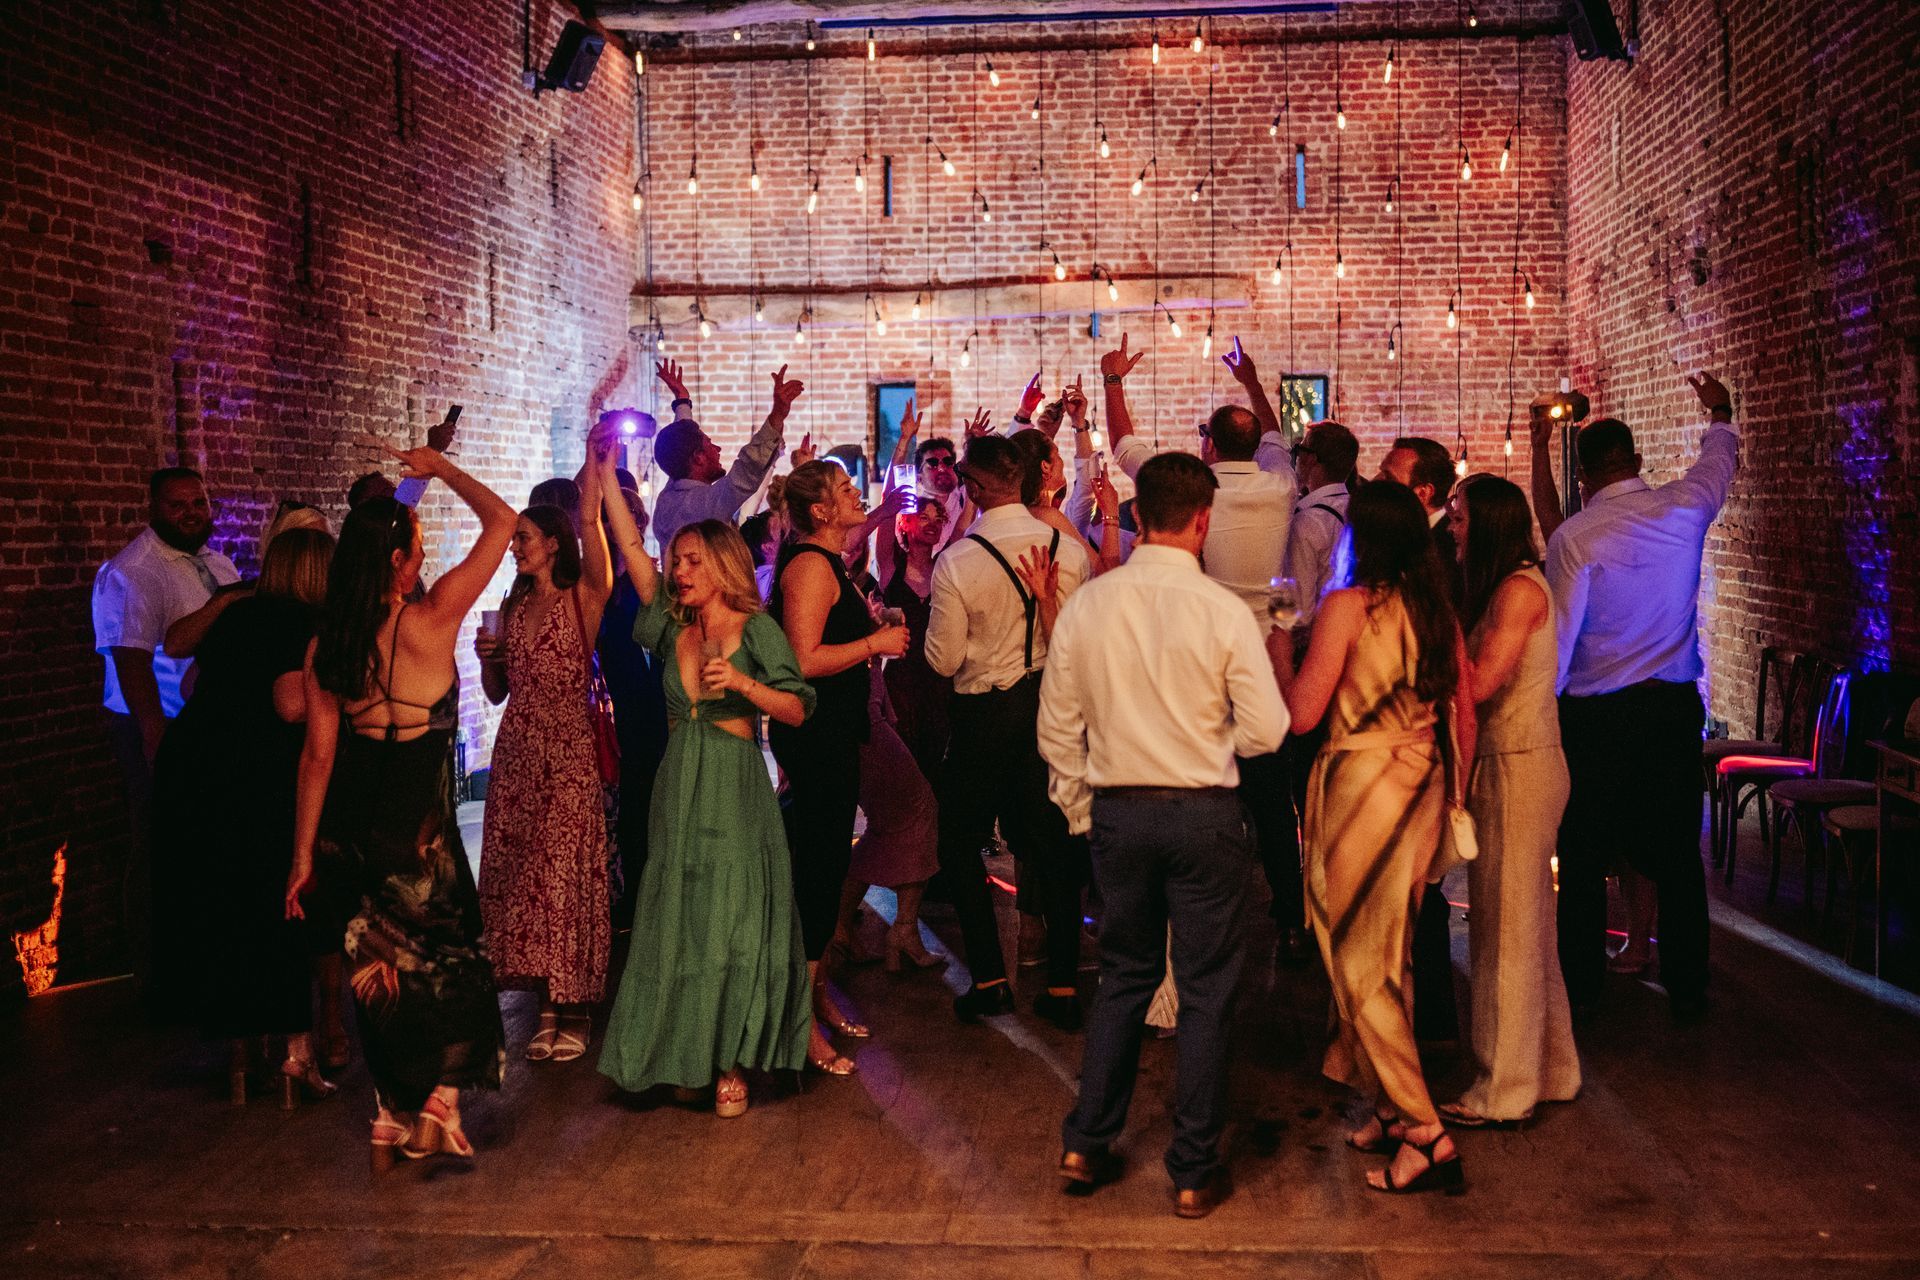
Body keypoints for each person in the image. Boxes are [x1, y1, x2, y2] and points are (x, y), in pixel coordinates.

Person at [1040, 452, 1288, 1219]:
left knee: (1124, 977)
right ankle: (1190, 1169)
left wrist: (1084, 811)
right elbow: (1269, 732)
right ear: (1204, 520)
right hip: (1204, 812)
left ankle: (1087, 1141)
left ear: (1137, 515)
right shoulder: (1222, 612)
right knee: (1209, 993)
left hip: (1119, 810)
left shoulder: (1088, 605)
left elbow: (1057, 728)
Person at [285, 446, 515, 1168]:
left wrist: (300, 860)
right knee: (455, 966)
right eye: (416, 547)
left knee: (378, 971)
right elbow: (503, 521)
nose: (424, 558)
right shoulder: (434, 617)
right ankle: (441, 1101)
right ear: (396, 562)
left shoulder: (329, 645)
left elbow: (317, 757)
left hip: (354, 830)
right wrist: (441, 472)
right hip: (422, 835)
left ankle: (389, 1111)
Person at [1268, 481, 1473, 1195]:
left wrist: (1277, 644)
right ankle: (1388, 1108)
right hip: (1420, 781)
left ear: (1364, 538)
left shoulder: (1348, 607)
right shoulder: (1435, 610)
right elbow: (1464, 714)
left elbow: (1301, 715)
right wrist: (1456, 794)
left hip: (1363, 788)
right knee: (1392, 956)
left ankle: (1425, 1131)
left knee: (1358, 960)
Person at [595, 500, 816, 1119]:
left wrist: (745, 685)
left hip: (735, 782)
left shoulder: (758, 627)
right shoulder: (673, 628)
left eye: (693, 561)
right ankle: (685, 1053)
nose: (679, 571)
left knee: (733, 920)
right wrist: (607, 477)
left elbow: (799, 707)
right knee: (680, 917)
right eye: (677, 560)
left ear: (722, 565)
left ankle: (731, 1061)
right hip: (678, 784)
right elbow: (636, 558)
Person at [1547, 373, 1738, 1022]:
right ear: (1634, 461)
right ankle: (1686, 988)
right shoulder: (1685, 507)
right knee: (1679, 854)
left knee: (1583, 855)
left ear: (1583, 477)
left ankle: (1581, 993)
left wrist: (1541, 712)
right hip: (1672, 712)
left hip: (1597, 718)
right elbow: (1719, 460)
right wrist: (1719, 409)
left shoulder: (1575, 538)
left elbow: (1560, 642)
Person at [152, 527, 339, 1104]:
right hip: (260, 777)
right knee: (283, 908)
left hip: (198, 771)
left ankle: (239, 1059)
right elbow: (288, 706)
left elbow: (185, 668)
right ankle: (294, 1056)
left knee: (227, 909)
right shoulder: (307, 625)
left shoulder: (234, 617)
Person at [926, 433, 1091, 1029]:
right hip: (1049, 706)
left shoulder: (959, 560)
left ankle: (991, 979)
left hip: (984, 716)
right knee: (1054, 844)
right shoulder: (1069, 552)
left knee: (959, 842)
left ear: (971, 487)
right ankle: (1065, 987)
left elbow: (943, 662)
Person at [1439, 474, 1582, 1126]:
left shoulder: (1520, 590)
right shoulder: (1506, 587)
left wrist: (1435, 631)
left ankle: (1503, 1090)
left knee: (1504, 935)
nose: (1452, 526)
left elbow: (1484, 682)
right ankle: (1550, 1071)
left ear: (1490, 522)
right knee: (1527, 930)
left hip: (1519, 769)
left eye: (1460, 515)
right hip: (1514, 764)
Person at [769, 459, 911, 1071]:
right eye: (847, 489)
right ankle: (799, 1022)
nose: (858, 494)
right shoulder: (807, 565)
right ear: (821, 510)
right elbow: (802, 660)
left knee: (827, 869)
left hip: (834, 732)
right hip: (814, 736)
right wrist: (875, 644)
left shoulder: (828, 563)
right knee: (818, 873)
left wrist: (874, 623)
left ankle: (818, 992)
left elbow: (829, 639)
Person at [475, 480, 615, 1064]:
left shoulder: (581, 596)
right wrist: (489, 662)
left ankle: (575, 1005)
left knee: (564, 871)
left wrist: (595, 472)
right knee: (525, 877)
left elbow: (596, 542)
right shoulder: (511, 606)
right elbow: (496, 693)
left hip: (567, 746)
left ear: (554, 544)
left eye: (522, 538)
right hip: (517, 750)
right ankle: (545, 1008)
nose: (513, 548)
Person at [93, 467, 242, 996]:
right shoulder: (134, 571)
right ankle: (156, 976)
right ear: (154, 509)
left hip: (208, 725)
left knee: (204, 843)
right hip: (155, 726)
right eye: (177, 505)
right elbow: (130, 660)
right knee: (156, 846)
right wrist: (156, 738)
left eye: (198, 502)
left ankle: (202, 960)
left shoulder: (217, 564)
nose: (190, 513)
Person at [1377, 434, 1464, 1045]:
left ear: (1421, 491)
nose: (1377, 480)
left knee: (1421, 896)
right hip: (1417, 745)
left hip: (1416, 744)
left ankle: (1426, 1025)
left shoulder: (1435, 556)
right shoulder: (1422, 549)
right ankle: (1422, 1022)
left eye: (1389, 473)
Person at [597, 481, 670, 926]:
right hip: (619, 708)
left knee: (653, 801)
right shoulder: (604, 588)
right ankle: (631, 897)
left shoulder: (654, 584)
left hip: (655, 706)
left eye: (635, 519)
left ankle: (652, 894)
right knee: (629, 805)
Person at [650, 364, 802, 552]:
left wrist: (682, 402)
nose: (718, 448)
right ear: (699, 458)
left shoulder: (668, 499)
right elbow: (747, 470)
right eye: (710, 444)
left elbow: (680, 443)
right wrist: (778, 414)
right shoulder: (703, 506)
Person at [1286, 421, 1359, 628]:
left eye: (1300, 450)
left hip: (1320, 633)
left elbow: (1300, 613)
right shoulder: (1357, 508)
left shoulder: (1307, 522)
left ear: (1311, 458)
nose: (1297, 457)